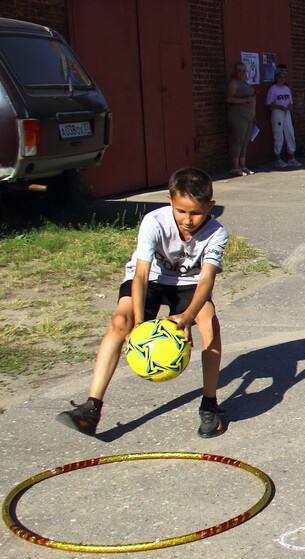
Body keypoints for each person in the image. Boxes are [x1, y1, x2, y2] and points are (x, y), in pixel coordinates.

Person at [57, 168, 230, 438]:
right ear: (170, 200)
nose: (187, 220)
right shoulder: (154, 221)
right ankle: (91, 408)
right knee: (119, 322)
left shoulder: (216, 233)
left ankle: (210, 405)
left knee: (208, 321)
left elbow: (206, 280)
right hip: (151, 279)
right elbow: (140, 274)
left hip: (189, 283)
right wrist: (139, 324)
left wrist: (186, 318)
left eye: (196, 212)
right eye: (181, 211)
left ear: (210, 206)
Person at [266, 65, 300, 168]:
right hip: (277, 112)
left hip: (286, 112)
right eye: (280, 77)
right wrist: (279, 106)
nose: (282, 79)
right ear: (276, 77)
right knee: (278, 133)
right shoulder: (273, 89)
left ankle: (291, 156)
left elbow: (290, 101)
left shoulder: (286, 89)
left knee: (290, 132)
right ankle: (278, 157)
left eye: (284, 77)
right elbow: (268, 104)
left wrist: (289, 107)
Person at [225, 62, 256, 176]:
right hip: (238, 115)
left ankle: (243, 165)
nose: (242, 73)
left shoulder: (244, 82)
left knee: (245, 142)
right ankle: (235, 166)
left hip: (249, 115)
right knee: (238, 141)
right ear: (235, 71)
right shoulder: (233, 83)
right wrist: (245, 100)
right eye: (239, 71)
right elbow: (228, 99)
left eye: (244, 71)